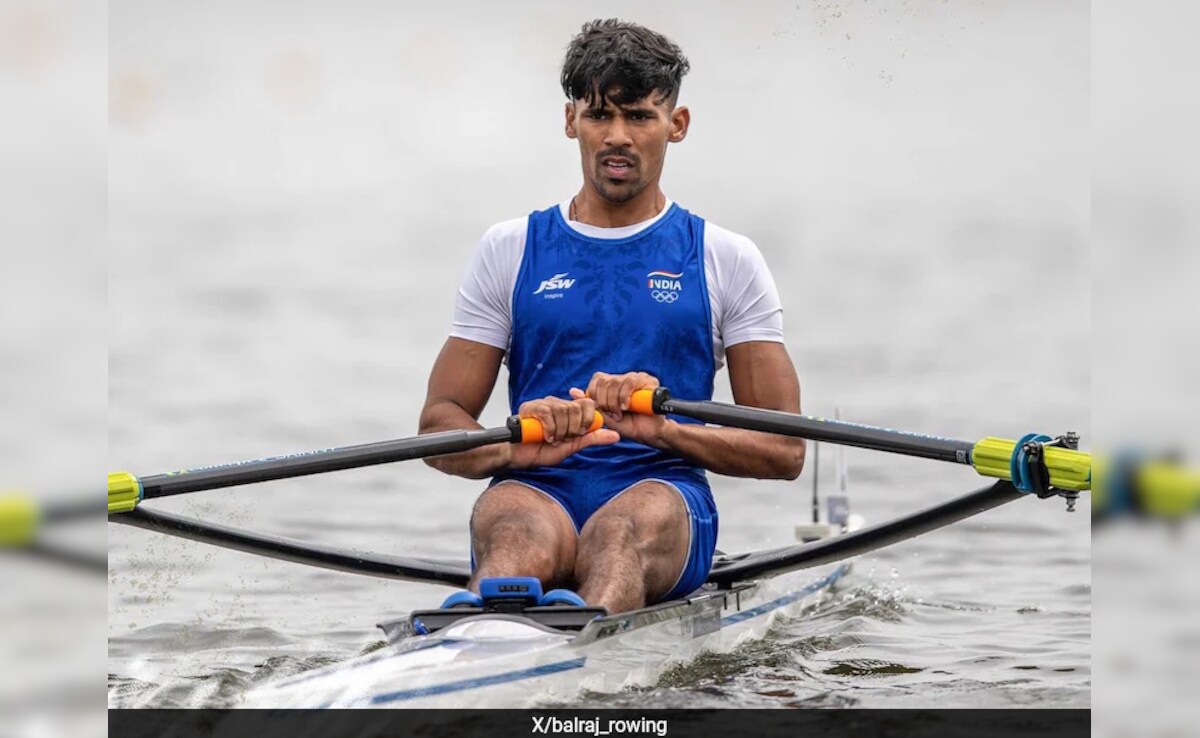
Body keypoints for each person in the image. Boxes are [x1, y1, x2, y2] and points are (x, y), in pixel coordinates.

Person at [419, 18, 805, 614]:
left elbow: (785, 449)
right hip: (534, 486)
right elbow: (439, 428)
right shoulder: (509, 248)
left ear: (676, 125)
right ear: (571, 119)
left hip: (662, 490)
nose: (618, 135)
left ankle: (587, 666)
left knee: (616, 533)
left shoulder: (725, 257)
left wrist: (666, 431)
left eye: (640, 116)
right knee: (515, 537)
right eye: (600, 115)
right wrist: (511, 449)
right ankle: (478, 655)